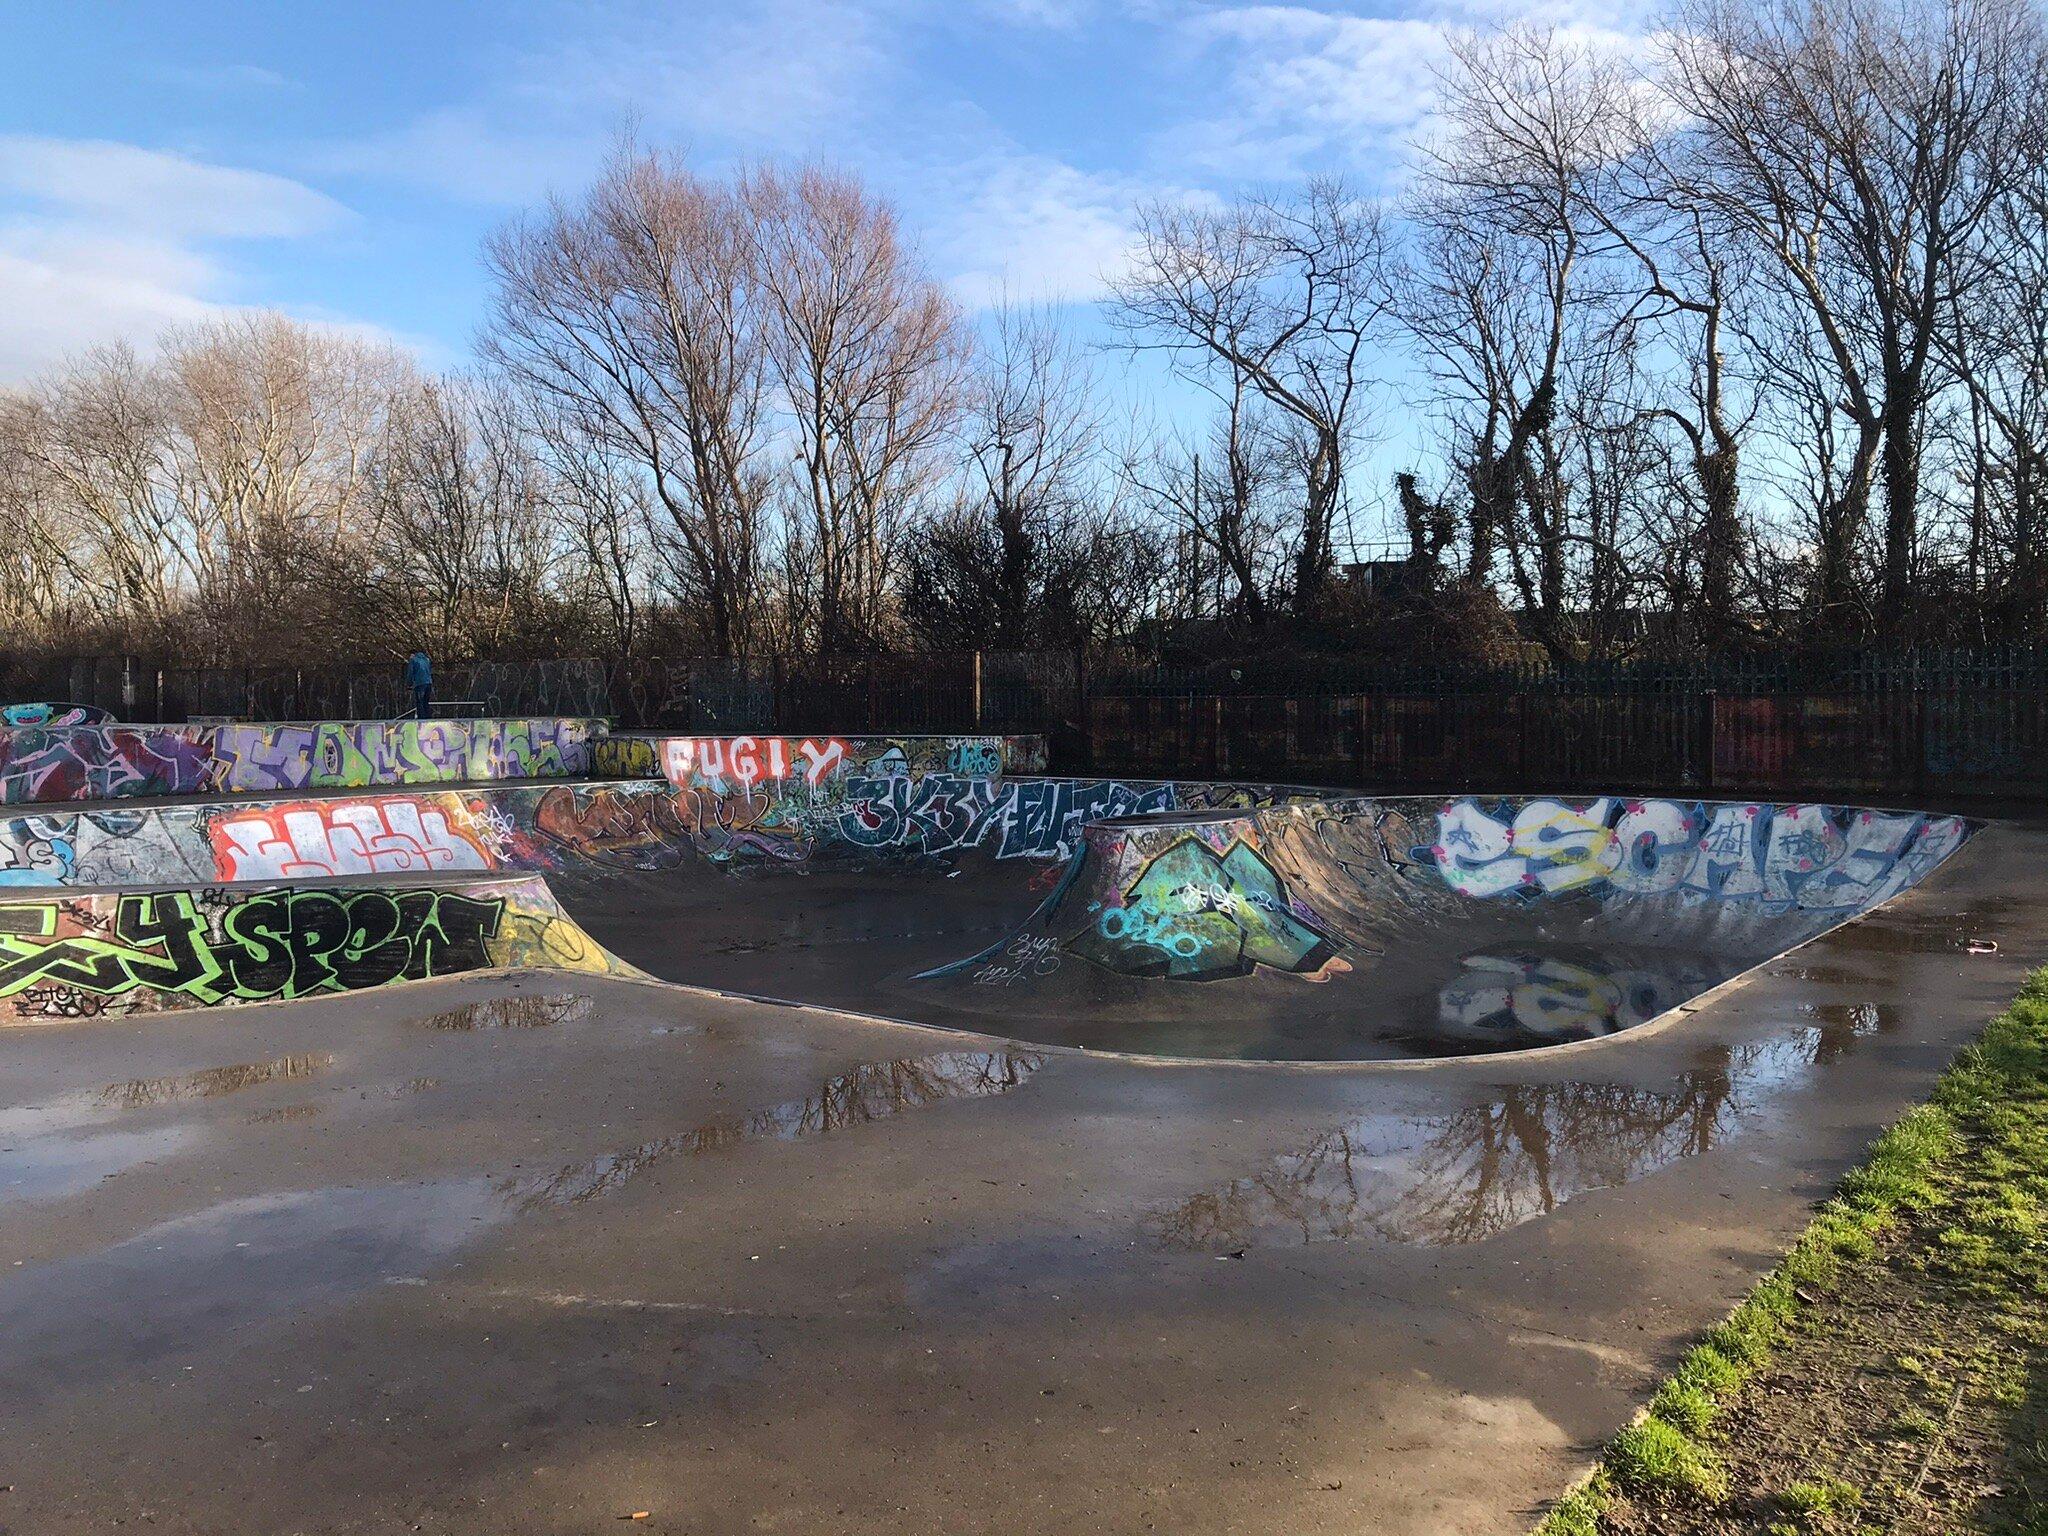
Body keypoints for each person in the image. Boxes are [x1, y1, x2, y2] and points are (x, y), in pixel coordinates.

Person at [405, 650, 432, 719]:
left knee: (419, 702)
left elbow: (410, 673)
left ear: (412, 654)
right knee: (426, 702)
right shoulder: (426, 659)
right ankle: (428, 718)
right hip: (428, 682)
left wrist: (408, 684)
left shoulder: (413, 660)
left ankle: (421, 719)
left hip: (419, 683)